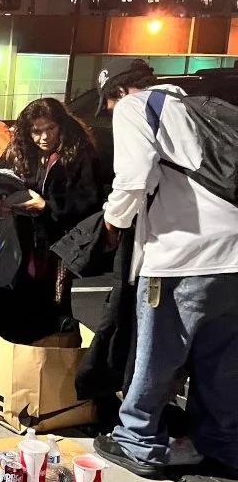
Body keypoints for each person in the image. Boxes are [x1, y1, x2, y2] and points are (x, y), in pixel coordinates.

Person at [94, 59, 238, 479]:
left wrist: (112, 223)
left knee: (159, 352)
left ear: (115, 94)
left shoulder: (134, 107)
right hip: (233, 258)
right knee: (222, 361)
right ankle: (222, 444)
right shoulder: (204, 107)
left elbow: (133, 179)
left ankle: (137, 440)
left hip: (182, 255)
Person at [0, 98, 103, 340]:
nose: (44, 137)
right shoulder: (17, 151)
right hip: (21, 239)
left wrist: (47, 206)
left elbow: (90, 202)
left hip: (61, 242)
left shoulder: (79, 153)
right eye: (36, 131)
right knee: (19, 300)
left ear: (61, 126)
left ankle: (54, 363)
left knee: (56, 304)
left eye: (50, 129)